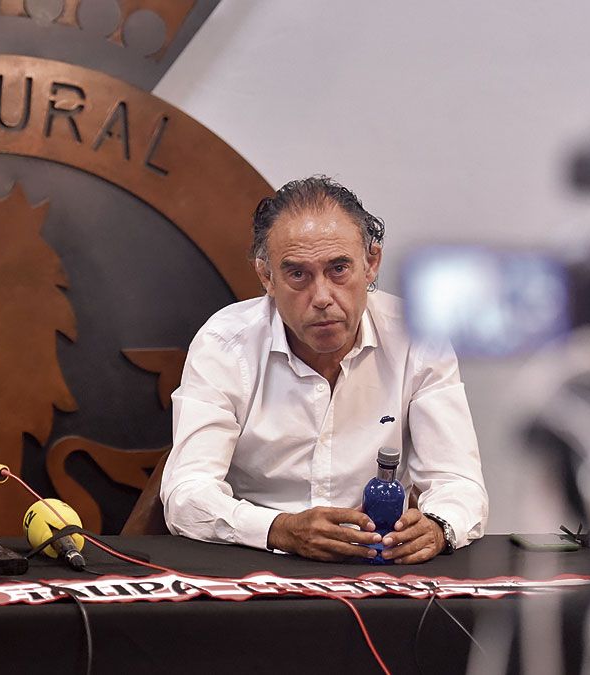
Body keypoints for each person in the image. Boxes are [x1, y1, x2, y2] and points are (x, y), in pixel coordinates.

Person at [160, 176, 488, 564]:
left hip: (378, 564)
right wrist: (281, 529)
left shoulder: (417, 337)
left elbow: (458, 482)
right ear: (267, 277)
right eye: (298, 274)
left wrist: (436, 526)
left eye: (338, 269)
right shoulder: (225, 344)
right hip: (259, 558)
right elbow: (187, 494)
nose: (321, 298)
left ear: (371, 264)